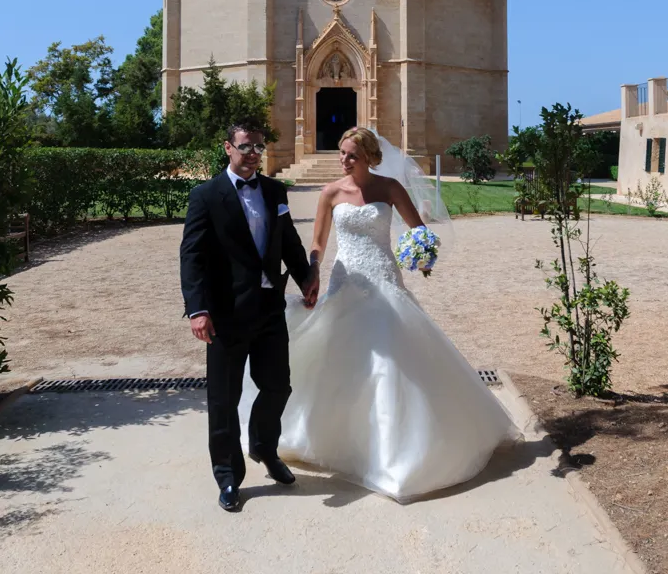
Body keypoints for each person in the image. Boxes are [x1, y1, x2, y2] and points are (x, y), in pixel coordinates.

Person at [278, 126, 516, 502]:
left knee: (392, 354)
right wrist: (313, 270)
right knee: (340, 353)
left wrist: (421, 254)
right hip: (346, 279)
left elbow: (417, 231)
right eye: (342, 153)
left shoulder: (389, 188)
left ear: (369, 156)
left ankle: (396, 449)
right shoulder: (330, 193)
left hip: (383, 275)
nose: (344, 160)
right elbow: (319, 242)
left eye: (351, 154)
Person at [180, 122, 319, 513]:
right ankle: (227, 476)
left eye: (259, 147)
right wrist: (198, 309)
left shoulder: (275, 190)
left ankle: (263, 446)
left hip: (269, 308)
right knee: (224, 399)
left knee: (278, 386)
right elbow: (192, 256)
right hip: (225, 314)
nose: (254, 153)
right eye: (246, 147)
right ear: (228, 147)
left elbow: (288, 241)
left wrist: (306, 277)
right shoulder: (206, 195)